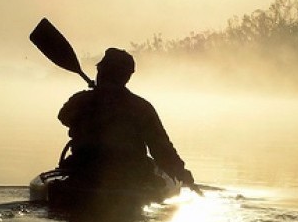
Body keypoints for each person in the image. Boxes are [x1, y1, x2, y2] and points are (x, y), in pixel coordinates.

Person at [57, 47, 196, 193]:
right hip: (129, 174)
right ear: (127, 77)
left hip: (85, 171)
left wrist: (94, 95)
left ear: (101, 72)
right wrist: (181, 173)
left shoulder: (81, 100)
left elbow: (63, 117)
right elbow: (161, 148)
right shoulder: (141, 107)